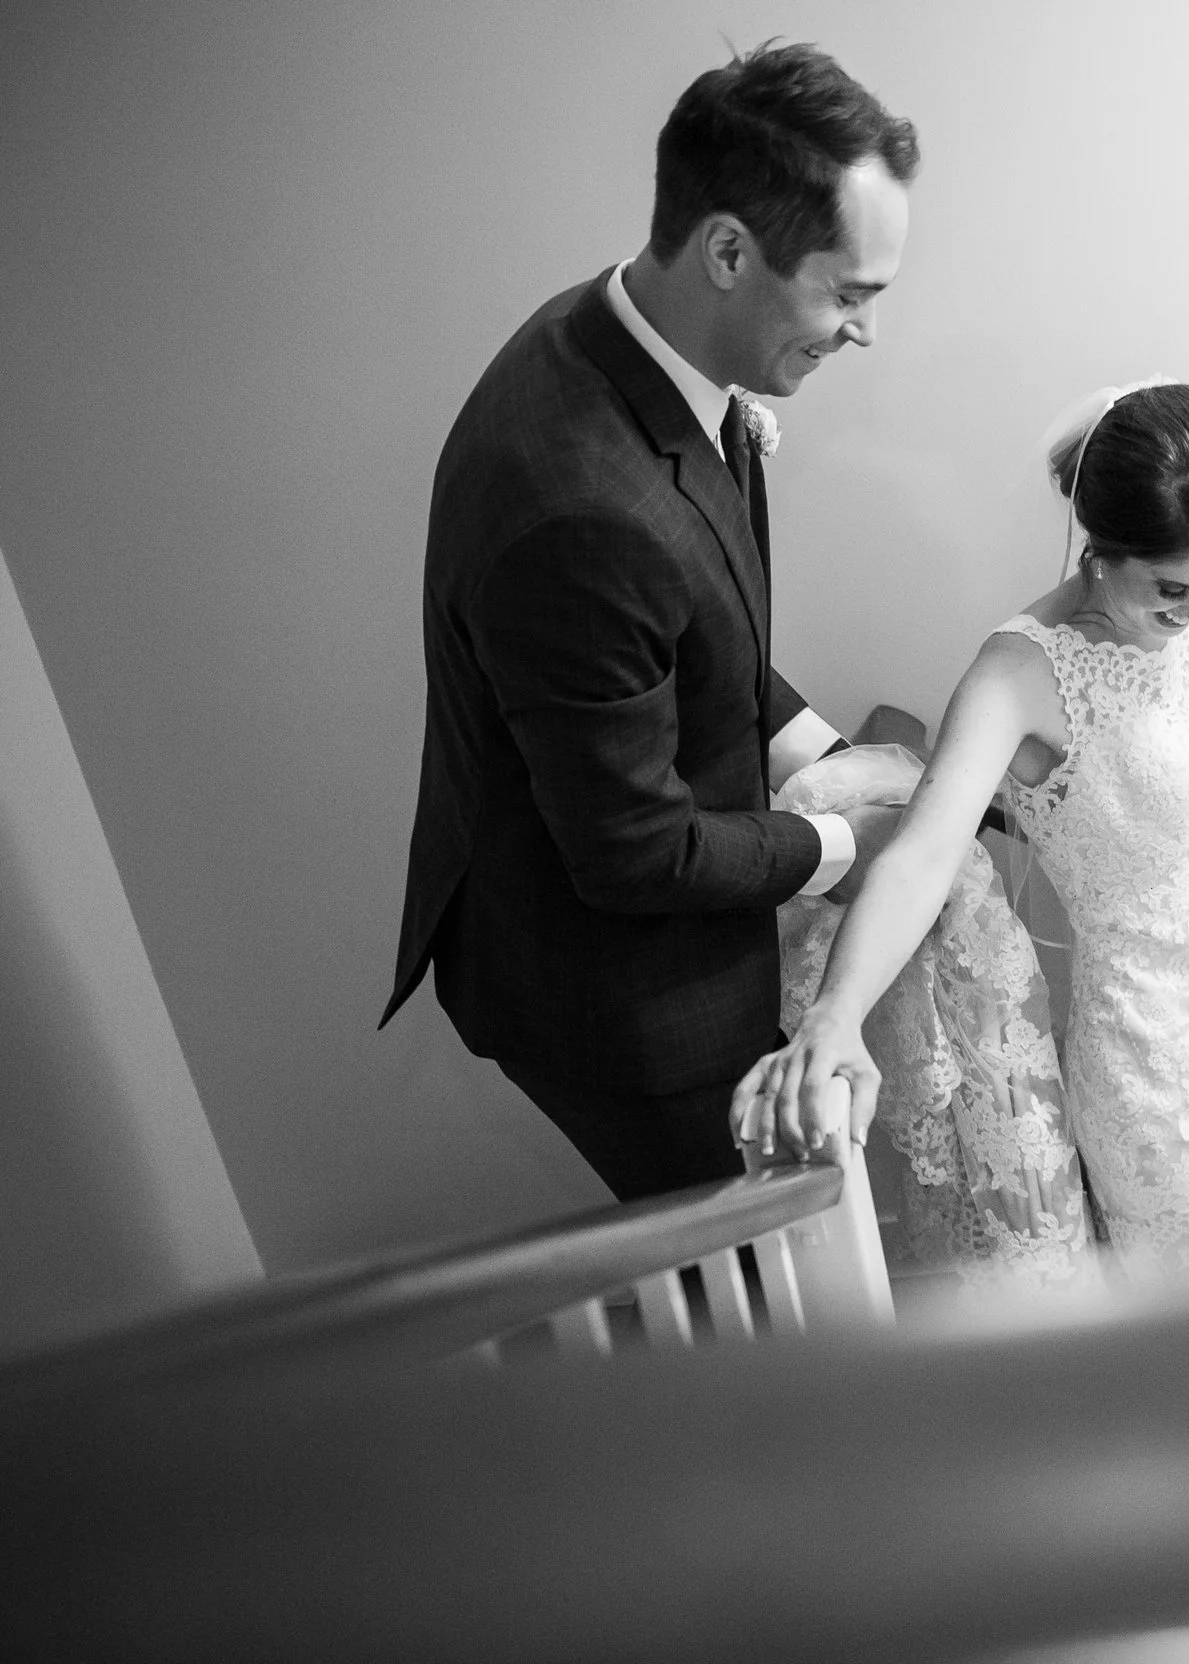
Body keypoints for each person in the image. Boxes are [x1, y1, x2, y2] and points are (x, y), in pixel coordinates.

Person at [380, 44, 920, 1200]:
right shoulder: (581, 503)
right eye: (848, 293)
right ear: (728, 251)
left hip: (641, 896)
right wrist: (840, 847)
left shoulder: (630, 335)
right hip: (623, 998)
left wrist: (823, 753)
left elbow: (696, 634)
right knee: (754, 1262)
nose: (864, 331)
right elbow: (632, 848)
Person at [735, 382, 1189, 1280]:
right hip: (1156, 1063)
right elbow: (925, 853)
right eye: (1175, 591)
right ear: (1102, 549)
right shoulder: (1019, 673)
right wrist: (836, 1016)